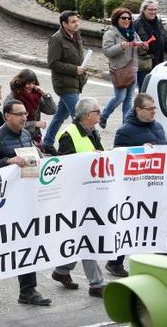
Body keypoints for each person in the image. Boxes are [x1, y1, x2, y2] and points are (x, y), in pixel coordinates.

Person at [0, 99, 52, 306]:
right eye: (19, 114)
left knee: (28, 244)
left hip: (24, 200)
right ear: (7, 116)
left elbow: (30, 157)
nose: (24, 118)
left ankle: (28, 291)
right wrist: (7, 162)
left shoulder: (26, 134)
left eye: (25, 114)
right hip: (2, 205)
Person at [107, 93, 167, 276]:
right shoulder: (126, 131)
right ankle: (115, 262)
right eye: (150, 108)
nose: (154, 111)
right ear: (138, 109)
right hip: (135, 190)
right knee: (130, 227)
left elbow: (163, 152)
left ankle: (164, 264)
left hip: (157, 188)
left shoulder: (159, 127)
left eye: (155, 108)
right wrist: (141, 152)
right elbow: (118, 158)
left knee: (159, 225)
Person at [51, 97, 106, 297]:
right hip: (75, 195)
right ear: (87, 115)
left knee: (80, 235)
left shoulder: (93, 132)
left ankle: (62, 270)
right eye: (98, 112)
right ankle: (96, 283)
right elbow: (65, 165)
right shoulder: (69, 134)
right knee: (86, 236)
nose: (100, 114)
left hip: (91, 192)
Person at [42, 11, 88, 154]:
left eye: (77, 21)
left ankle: (47, 142)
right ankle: (81, 146)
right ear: (64, 24)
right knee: (79, 116)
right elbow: (53, 63)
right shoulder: (57, 39)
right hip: (64, 84)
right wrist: (75, 69)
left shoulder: (76, 35)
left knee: (61, 115)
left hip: (76, 81)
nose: (77, 24)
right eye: (73, 22)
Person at [100, 8, 141, 128]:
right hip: (119, 70)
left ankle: (125, 126)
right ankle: (104, 115)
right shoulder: (111, 33)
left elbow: (138, 48)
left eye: (129, 18)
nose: (127, 20)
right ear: (117, 19)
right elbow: (107, 51)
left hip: (132, 70)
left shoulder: (133, 33)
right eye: (124, 18)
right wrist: (121, 46)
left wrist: (143, 47)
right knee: (120, 97)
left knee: (129, 100)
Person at [5, 69, 55, 144]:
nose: (31, 86)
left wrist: (45, 95)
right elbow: (11, 123)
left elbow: (52, 110)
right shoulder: (13, 98)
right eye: (28, 83)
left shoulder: (36, 97)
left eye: (33, 83)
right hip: (17, 139)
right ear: (21, 83)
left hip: (35, 138)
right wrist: (34, 124)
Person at [134, 0, 167, 85]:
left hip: (158, 61)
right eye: (150, 9)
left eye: (155, 9)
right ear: (144, 10)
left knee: (157, 88)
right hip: (145, 63)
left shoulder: (158, 21)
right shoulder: (137, 24)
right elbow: (133, 44)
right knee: (144, 90)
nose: (153, 12)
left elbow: (165, 38)